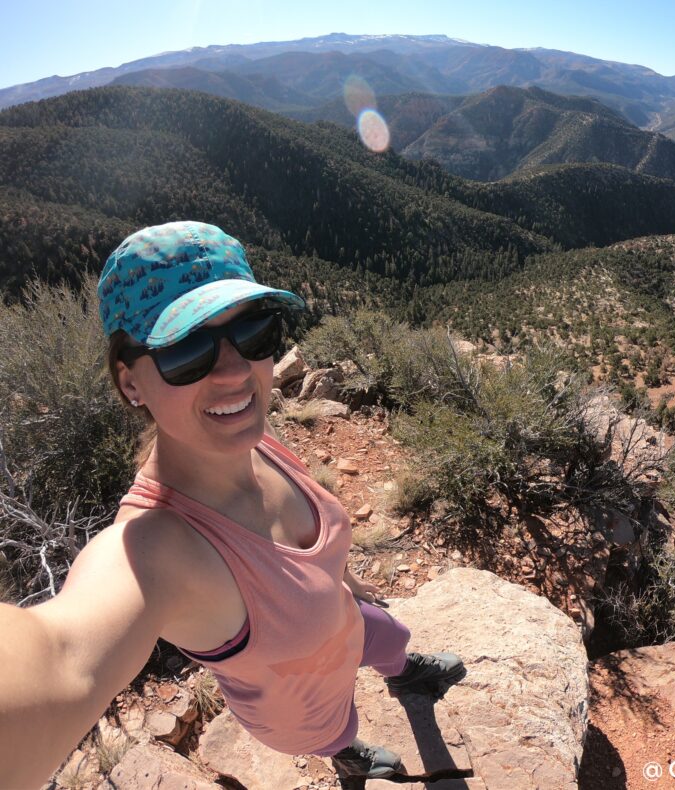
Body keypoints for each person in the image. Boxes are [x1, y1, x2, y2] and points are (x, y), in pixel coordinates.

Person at [0, 221, 466, 788]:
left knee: (392, 637)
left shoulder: (256, 439)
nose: (235, 371)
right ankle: (348, 756)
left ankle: (405, 675)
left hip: (346, 626)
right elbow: (61, 659)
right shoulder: (158, 547)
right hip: (299, 706)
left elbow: (317, 563)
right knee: (338, 729)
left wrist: (349, 588)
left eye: (253, 333)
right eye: (186, 351)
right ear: (130, 383)